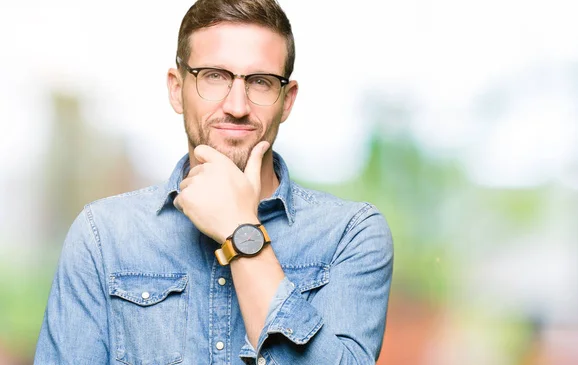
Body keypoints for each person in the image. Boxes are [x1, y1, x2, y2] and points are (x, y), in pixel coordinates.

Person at [34, 0, 394, 364]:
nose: (236, 105)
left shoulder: (350, 234)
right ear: (177, 89)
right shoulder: (103, 237)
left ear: (287, 101)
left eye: (261, 82)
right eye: (214, 76)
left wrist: (242, 231)